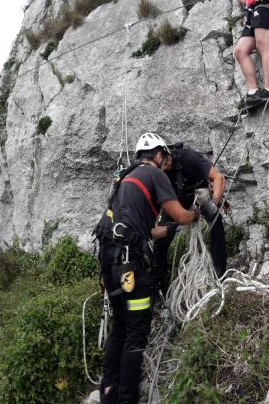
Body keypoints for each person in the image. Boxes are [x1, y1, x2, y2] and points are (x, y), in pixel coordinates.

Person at [94, 133, 200, 404]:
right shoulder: (155, 175)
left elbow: (144, 231)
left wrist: (171, 229)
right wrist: (197, 213)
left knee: (120, 327)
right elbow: (180, 214)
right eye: (165, 156)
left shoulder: (125, 178)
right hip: (131, 265)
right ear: (158, 154)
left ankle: (109, 391)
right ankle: (128, 398)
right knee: (137, 332)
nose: (168, 162)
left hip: (109, 263)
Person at [152, 143, 228, 289]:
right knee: (162, 238)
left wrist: (214, 202)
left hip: (198, 196)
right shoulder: (156, 171)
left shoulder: (189, 158)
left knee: (215, 219)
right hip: (174, 202)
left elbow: (218, 177)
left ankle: (220, 269)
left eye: (166, 163)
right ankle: (158, 283)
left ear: (167, 154)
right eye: (161, 167)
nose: (165, 168)